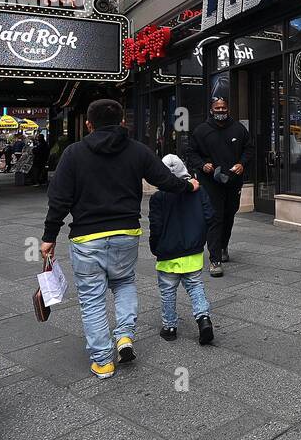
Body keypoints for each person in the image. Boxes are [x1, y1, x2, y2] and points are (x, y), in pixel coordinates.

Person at [41, 98, 200, 379]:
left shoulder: (74, 153)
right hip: (126, 233)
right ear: (122, 122)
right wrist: (189, 186)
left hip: (87, 236)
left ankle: (103, 361)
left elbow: (60, 198)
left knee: (92, 299)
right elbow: (165, 180)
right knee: (124, 283)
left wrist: (49, 236)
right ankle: (124, 336)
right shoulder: (137, 150)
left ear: (89, 124)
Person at [148, 154, 216, 345]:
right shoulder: (198, 191)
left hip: (167, 254)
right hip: (193, 251)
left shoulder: (158, 198)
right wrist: (199, 233)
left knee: (168, 291)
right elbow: (210, 217)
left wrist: (155, 247)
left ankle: (170, 327)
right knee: (195, 287)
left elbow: (156, 226)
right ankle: (203, 319)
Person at [184, 96, 253, 278]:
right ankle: (215, 260)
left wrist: (242, 163)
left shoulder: (239, 129)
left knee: (229, 214)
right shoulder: (201, 130)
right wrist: (201, 165)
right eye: (217, 108)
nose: (221, 111)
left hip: (233, 180)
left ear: (228, 109)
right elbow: (191, 152)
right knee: (215, 217)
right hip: (210, 180)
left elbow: (249, 149)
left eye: (223, 108)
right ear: (211, 110)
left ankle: (223, 246)